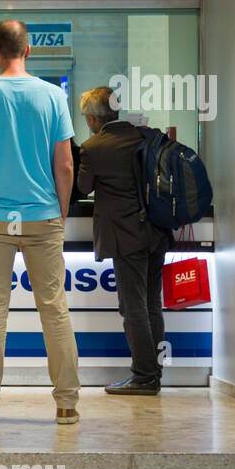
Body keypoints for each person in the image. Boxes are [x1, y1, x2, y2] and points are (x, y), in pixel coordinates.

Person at [0, 19, 80, 426]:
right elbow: (64, 166)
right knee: (55, 309)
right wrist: (60, 213)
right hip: (43, 216)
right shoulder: (53, 96)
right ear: (28, 51)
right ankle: (66, 405)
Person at [77, 86, 173, 395]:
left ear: (93, 119)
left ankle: (143, 377)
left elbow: (81, 188)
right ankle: (153, 373)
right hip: (157, 232)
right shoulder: (147, 135)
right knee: (151, 304)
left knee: (133, 308)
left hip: (126, 236)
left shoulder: (95, 147)